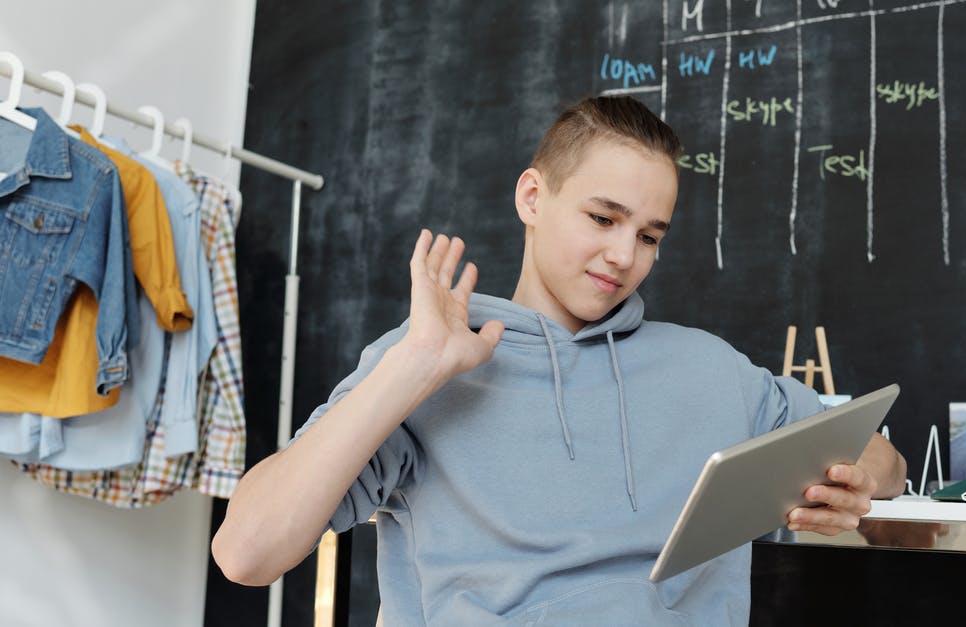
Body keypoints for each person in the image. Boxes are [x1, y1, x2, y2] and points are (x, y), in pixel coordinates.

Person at [213, 95, 907, 625]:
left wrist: (855, 482)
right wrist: (412, 364)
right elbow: (246, 554)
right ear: (533, 198)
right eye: (603, 218)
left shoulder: (711, 369)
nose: (623, 255)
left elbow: (883, 459)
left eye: (649, 236)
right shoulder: (427, 361)